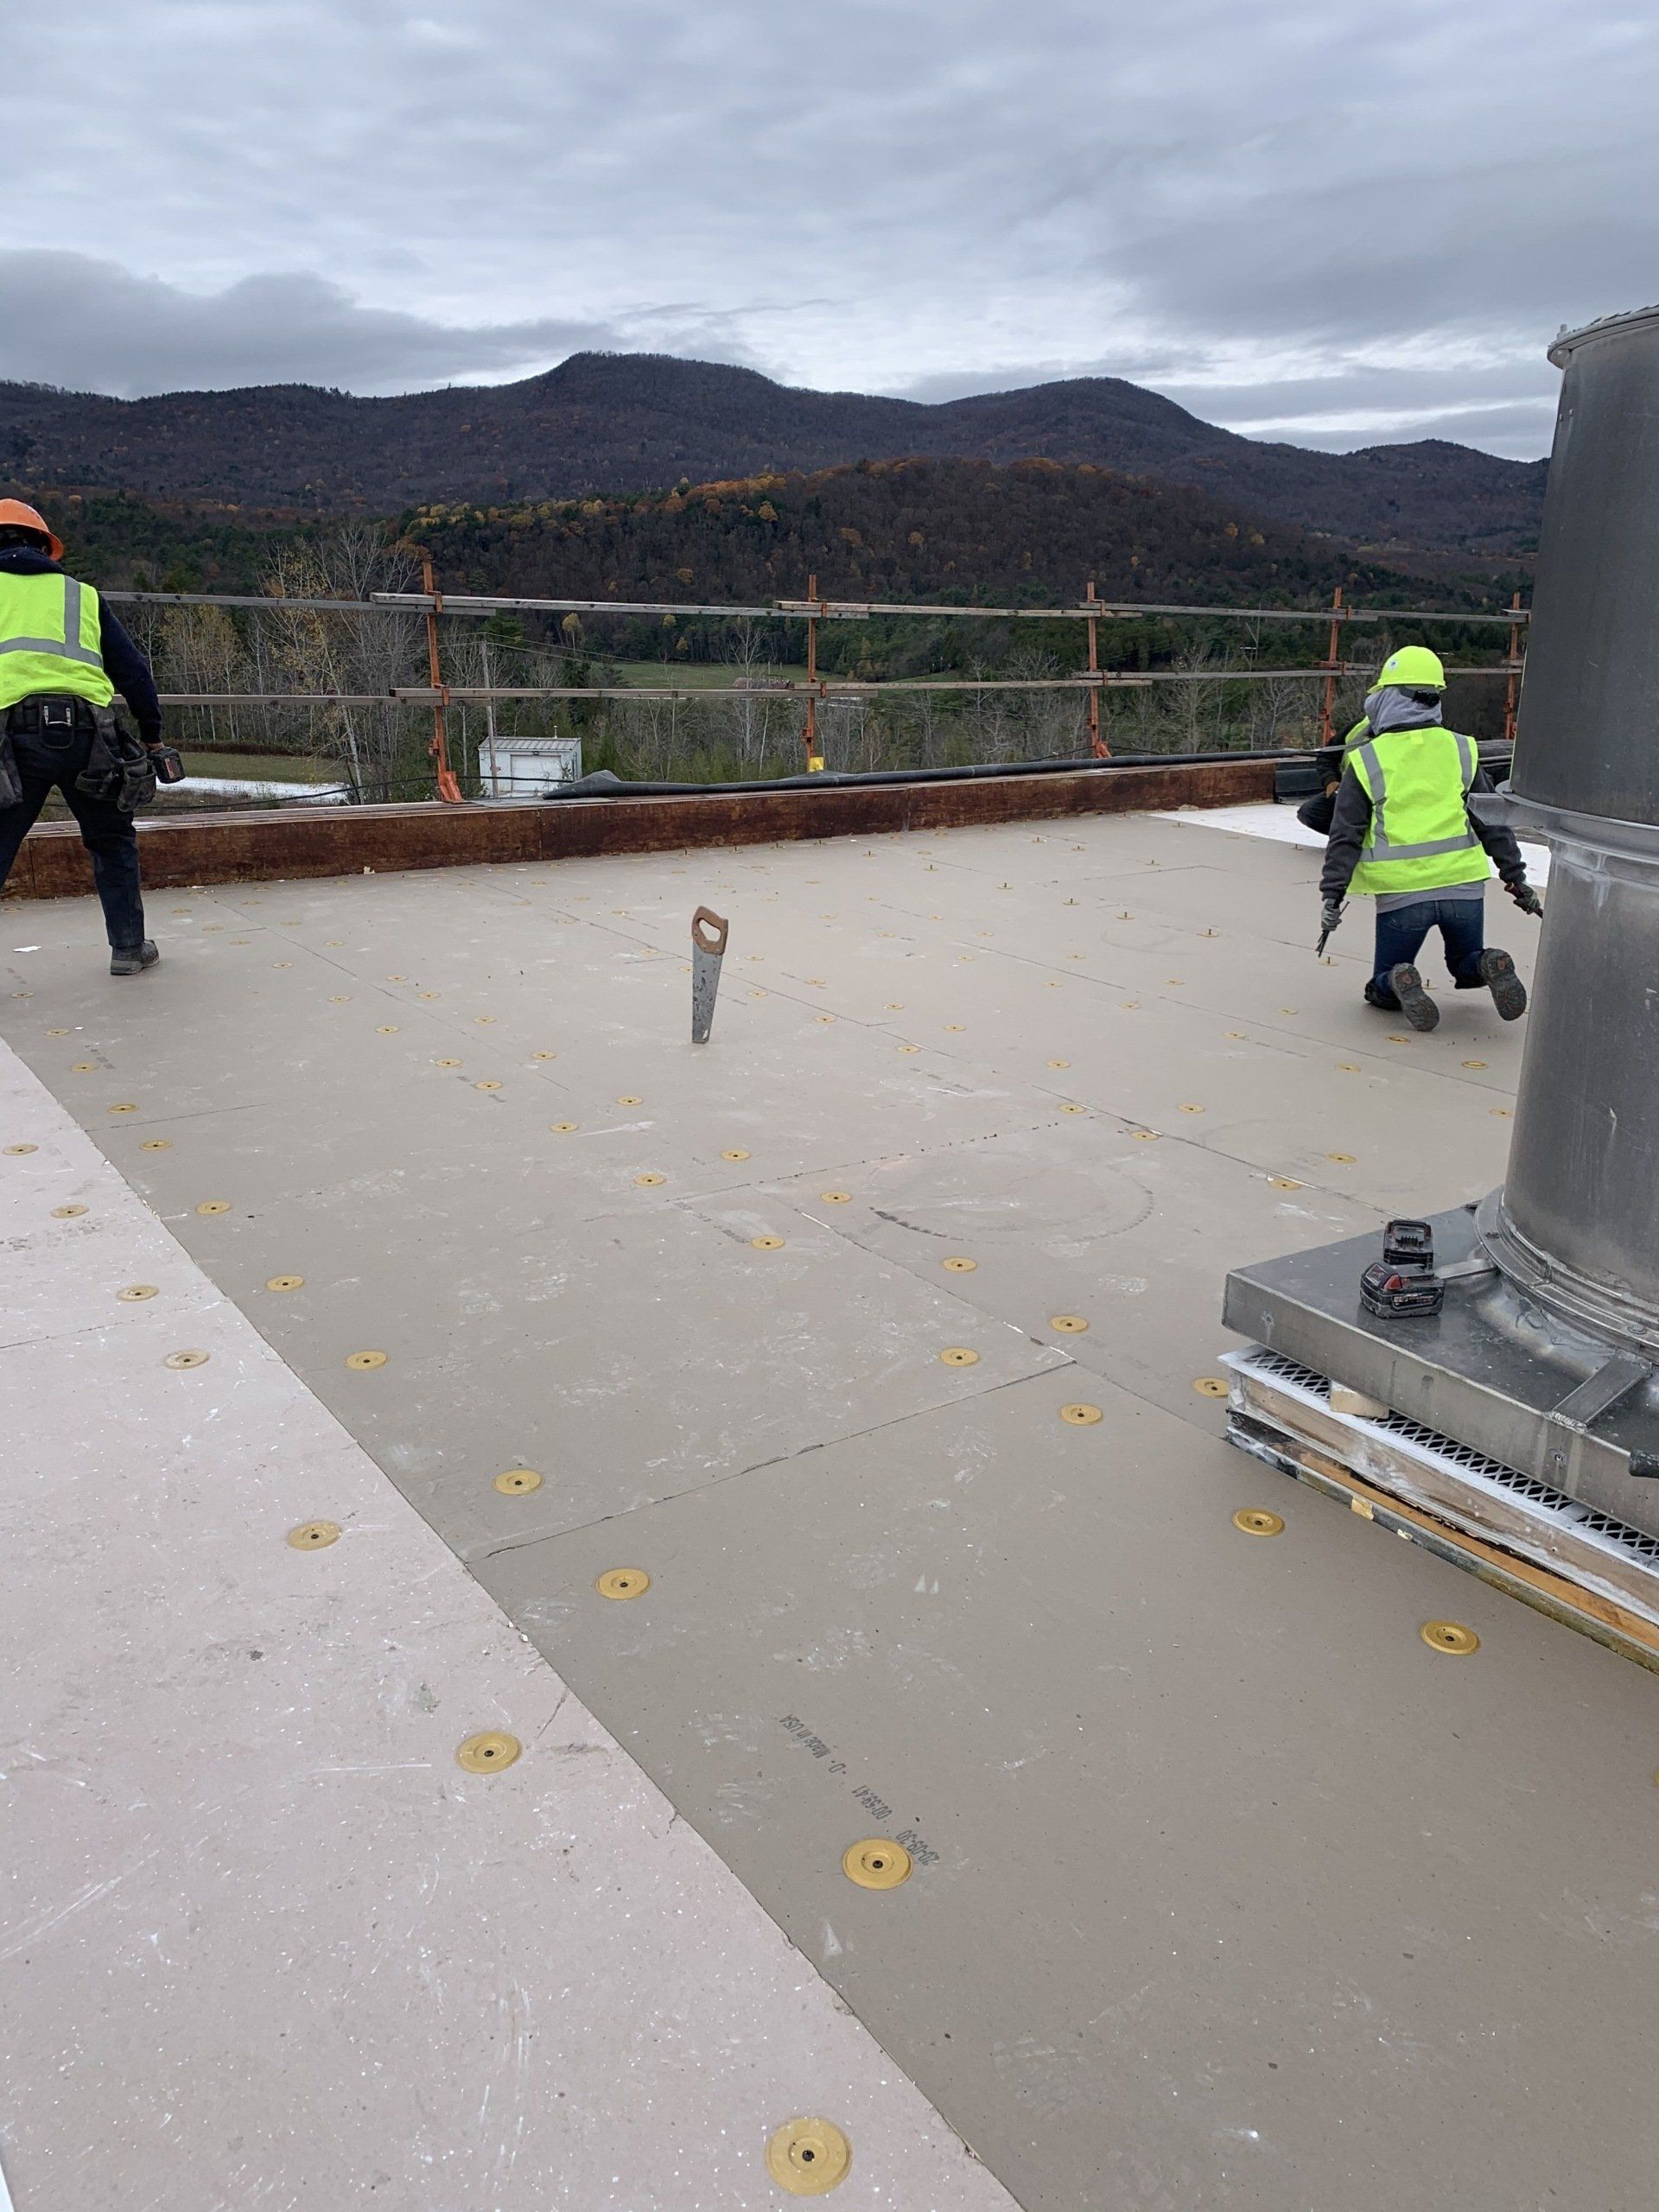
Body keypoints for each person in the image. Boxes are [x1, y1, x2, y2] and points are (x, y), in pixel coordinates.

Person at [1318, 645, 1541, 1032]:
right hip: (1464, 888)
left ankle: (1399, 980)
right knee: (1465, 961)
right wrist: (1516, 878)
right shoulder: (1462, 749)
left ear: (1387, 699)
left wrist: (1332, 896)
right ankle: (1488, 962)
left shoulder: (1367, 759)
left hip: (1402, 893)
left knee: (1384, 981)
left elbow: (1345, 835)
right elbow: (1493, 823)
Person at [0, 499, 167, 975]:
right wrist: (152, 737)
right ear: (44, 548)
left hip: (10, 740)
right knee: (112, 840)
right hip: (91, 736)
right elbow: (133, 672)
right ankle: (129, 949)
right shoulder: (83, 596)